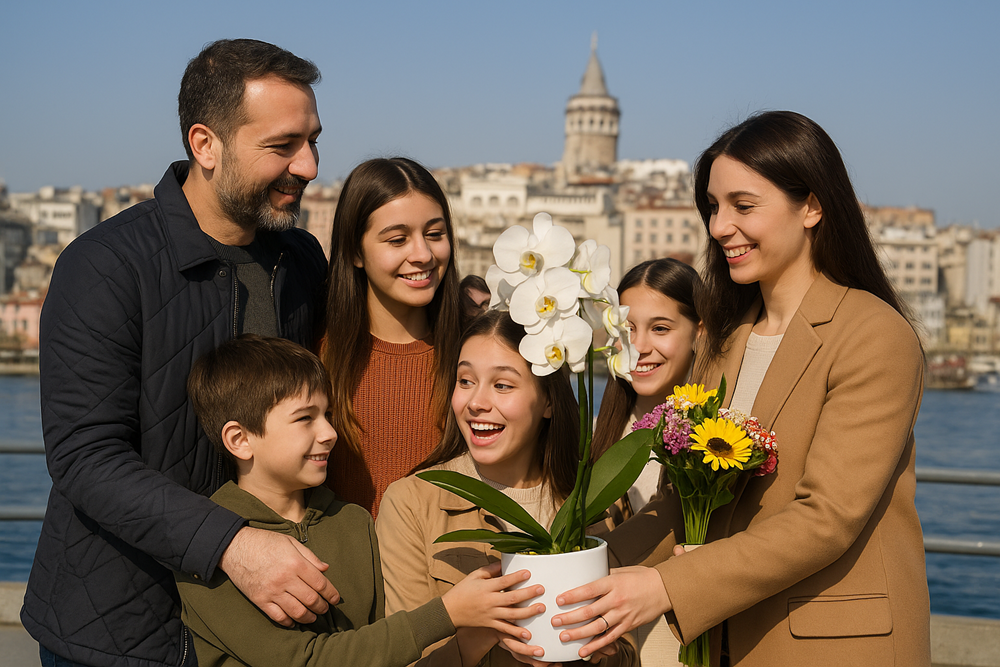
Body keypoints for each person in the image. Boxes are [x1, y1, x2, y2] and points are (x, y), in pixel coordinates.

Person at [550, 111, 930, 666]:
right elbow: (679, 500)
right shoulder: (725, 343)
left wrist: (665, 586)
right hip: (733, 640)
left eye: (742, 206)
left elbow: (826, 518)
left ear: (812, 206)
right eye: (713, 206)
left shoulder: (874, 334)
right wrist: (572, 565)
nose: (719, 226)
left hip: (837, 646)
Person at [22, 39, 336, 667]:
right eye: (282, 146)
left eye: (313, 140)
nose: (308, 165)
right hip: (121, 633)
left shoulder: (301, 260)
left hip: (257, 630)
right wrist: (236, 546)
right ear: (205, 145)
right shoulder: (104, 266)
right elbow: (86, 457)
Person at [176, 334, 544, 666]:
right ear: (240, 440)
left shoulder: (353, 521)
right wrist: (446, 613)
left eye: (328, 414)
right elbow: (299, 660)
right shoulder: (210, 547)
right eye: (305, 419)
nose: (330, 433)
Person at [376, 310, 638, 667]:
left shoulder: (593, 500)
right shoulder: (412, 501)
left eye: (502, 385)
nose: (476, 402)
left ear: (548, 401)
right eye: (465, 380)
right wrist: (484, 633)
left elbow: (628, 649)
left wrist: (596, 651)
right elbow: (404, 658)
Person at [323, 157, 461, 517]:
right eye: (398, 239)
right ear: (355, 251)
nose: (423, 255)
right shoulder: (317, 356)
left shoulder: (474, 355)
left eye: (435, 234)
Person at [590, 258, 701, 667]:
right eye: (626, 329)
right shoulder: (599, 432)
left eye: (660, 328)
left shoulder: (720, 434)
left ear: (699, 333)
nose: (639, 346)